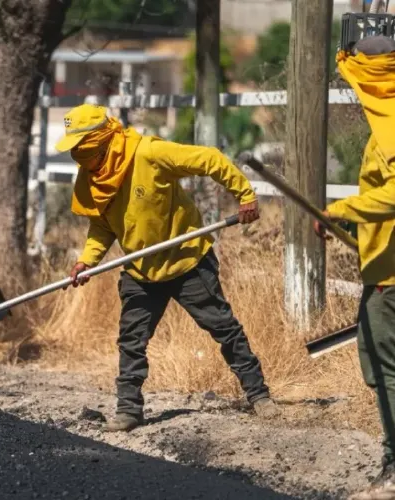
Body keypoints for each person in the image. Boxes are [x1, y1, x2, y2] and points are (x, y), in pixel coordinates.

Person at [60, 103, 278, 432]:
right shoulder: (95, 178)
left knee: (223, 328)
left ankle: (259, 396)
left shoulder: (149, 153)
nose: (76, 156)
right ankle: (128, 410)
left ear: (100, 141)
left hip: (187, 261)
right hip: (140, 270)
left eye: (81, 148)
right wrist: (86, 260)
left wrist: (245, 195)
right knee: (131, 341)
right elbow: (103, 227)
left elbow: (210, 159)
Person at [318, 36, 395, 499]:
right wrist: (349, 219)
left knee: (386, 370)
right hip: (382, 268)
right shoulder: (384, 120)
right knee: (379, 365)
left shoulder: (391, 125)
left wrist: (343, 208)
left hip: (391, 277)